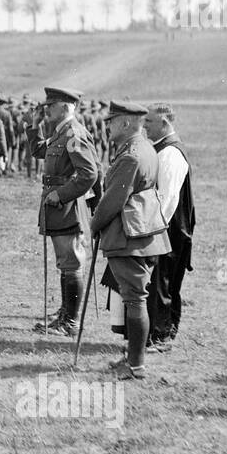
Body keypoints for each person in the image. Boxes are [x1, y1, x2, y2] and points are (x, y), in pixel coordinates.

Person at [92, 101, 171, 379]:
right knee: (134, 298)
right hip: (142, 234)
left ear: (125, 123)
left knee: (135, 299)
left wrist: (94, 224)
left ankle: (135, 365)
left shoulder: (131, 156)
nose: (108, 126)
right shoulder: (144, 149)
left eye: (112, 121)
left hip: (129, 238)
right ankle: (132, 358)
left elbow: (113, 200)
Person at [34, 86, 99, 336]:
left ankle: (71, 323)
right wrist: (33, 127)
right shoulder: (62, 132)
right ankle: (65, 314)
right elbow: (37, 150)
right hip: (60, 206)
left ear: (65, 107)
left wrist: (60, 195)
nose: (47, 109)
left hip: (66, 206)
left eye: (51, 106)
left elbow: (89, 173)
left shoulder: (72, 133)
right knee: (66, 263)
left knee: (71, 263)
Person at [143, 102, 195, 351]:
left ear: (165, 123)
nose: (145, 127)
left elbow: (168, 198)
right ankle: (161, 332)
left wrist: (151, 229)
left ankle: (162, 336)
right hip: (165, 226)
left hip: (168, 228)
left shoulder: (171, 153)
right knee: (160, 281)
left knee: (162, 281)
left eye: (149, 122)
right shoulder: (162, 149)